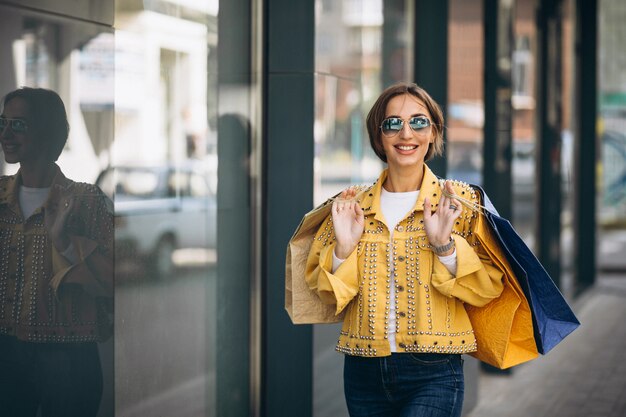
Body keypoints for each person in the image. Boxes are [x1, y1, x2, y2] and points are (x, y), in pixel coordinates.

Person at [305, 82, 505, 417]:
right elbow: (327, 297)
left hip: (435, 370)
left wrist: (445, 247)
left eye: (419, 121)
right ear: (378, 136)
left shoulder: (461, 203)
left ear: (434, 132)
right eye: (393, 123)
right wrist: (343, 248)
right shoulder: (350, 207)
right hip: (363, 369)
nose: (406, 133)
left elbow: (489, 288)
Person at [0, 87, 113, 417]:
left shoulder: (88, 201)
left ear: (47, 131)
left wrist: (64, 240)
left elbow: (116, 282)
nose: (6, 133)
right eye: (3, 122)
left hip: (67, 357)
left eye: (18, 125)